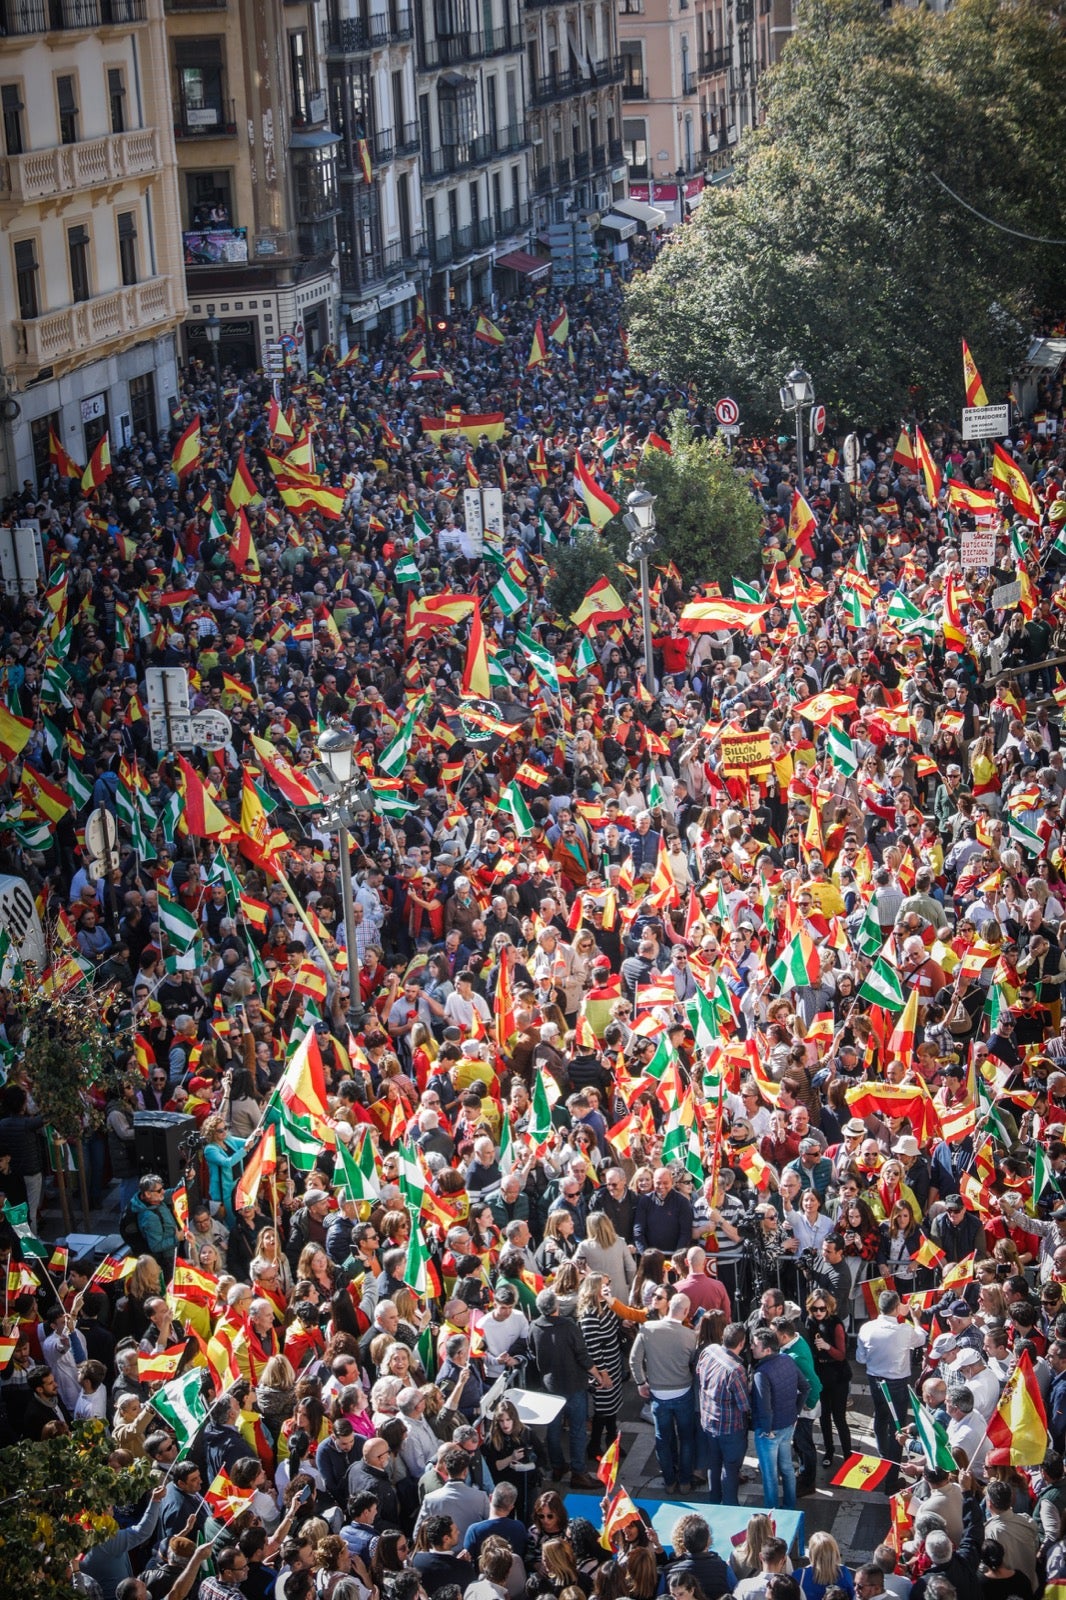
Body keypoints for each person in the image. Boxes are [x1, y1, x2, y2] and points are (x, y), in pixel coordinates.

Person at [527, 1289, 599, 1489]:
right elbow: (582, 1355)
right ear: (556, 1306)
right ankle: (579, 1472)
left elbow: (532, 1352)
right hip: (574, 1385)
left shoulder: (534, 1327)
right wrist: (598, 1374)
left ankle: (557, 1466)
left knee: (553, 1429)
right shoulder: (569, 1326)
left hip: (550, 1387)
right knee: (577, 1430)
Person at [630, 1292, 698, 1495]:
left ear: (669, 1306)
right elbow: (693, 1364)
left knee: (662, 1438)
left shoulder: (648, 1329)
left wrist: (641, 1382)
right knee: (686, 1438)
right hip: (683, 1392)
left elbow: (634, 1359)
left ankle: (669, 1481)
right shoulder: (690, 1335)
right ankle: (685, 1481)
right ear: (686, 1312)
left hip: (658, 1394)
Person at [856, 1291, 927, 1463]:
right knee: (898, 1422)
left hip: (875, 1380)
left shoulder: (866, 1328)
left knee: (880, 1416)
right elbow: (921, 1339)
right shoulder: (904, 1330)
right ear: (896, 1308)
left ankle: (883, 1453)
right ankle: (893, 1462)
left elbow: (860, 1358)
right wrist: (916, 1318)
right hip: (897, 1383)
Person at [750, 1327, 806, 1512]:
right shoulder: (787, 1360)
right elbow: (805, 1388)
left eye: (755, 1345)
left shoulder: (761, 1374)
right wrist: (795, 1413)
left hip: (770, 1431)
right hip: (787, 1424)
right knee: (787, 1467)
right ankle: (790, 1505)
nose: (751, 1347)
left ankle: (772, 1513)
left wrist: (766, 1429)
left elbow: (764, 1407)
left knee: (770, 1475)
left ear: (767, 1350)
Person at [695, 1321, 751, 1505]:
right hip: (730, 1429)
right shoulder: (736, 1370)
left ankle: (714, 1501)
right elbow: (744, 1405)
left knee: (714, 1464)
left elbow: (698, 1373)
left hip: (708, 1422)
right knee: (730, 1468)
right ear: (741, 1343)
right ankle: (729, 1506)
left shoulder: (709, 1350)